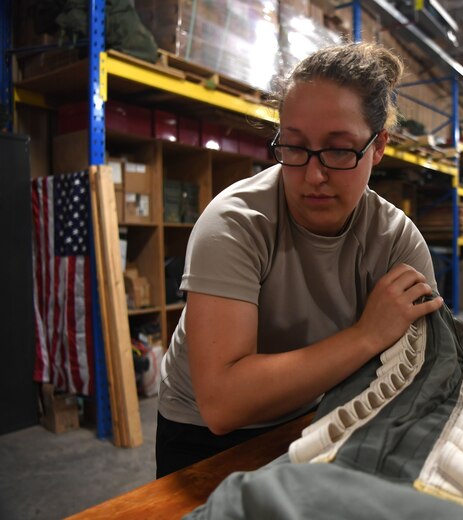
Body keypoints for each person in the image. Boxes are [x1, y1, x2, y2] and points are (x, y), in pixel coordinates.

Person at [155, 42, 444, 478]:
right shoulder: (235, 224)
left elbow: (424, 369)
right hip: (204, 439)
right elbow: (223, 403)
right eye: (293, 147)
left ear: (379, 146)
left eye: (340, 150)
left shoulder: (395, 239)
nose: (313, 176)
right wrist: (367, 335)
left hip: (316, 414)